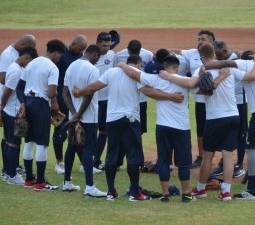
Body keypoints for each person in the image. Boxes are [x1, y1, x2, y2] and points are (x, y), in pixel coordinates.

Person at [72, 55, 184, 202]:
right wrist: (171, 97)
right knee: (133, 156)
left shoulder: (111, 72)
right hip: (130, 119)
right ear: (139, 65)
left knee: (111, 155)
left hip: (111, 119)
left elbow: (93, 87)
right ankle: (135, 193)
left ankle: (111, 192)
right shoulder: (136, 75)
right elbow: (149, 92)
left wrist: (79, 92)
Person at [159, 44, 255, 201]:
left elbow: (190, 84)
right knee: (228, 155)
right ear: (215, 55)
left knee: (207, 155)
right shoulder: (228, 68)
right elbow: (253, 76)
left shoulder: (201, 70)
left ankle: (201, 189)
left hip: (215, 118)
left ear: (202, 58)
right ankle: (226, 192)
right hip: (234, 116)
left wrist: (168, 76)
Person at [197, 48, 255, 200]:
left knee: (251, 148)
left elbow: (224, 62)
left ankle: (251, 189)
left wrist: (205, 66)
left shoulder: (245, 63)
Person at [117, 55, 200, 203]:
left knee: (163, 161)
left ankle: (165, 195)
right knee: (183, 163)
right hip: (182, 128)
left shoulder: (156, 80)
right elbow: (198, 88)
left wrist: (123, 64)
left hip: (163, 127)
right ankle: (186, 194)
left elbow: (132, 73)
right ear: (177, 67)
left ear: (164, 67)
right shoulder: (185, 81)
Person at [16, 39, 65, 191]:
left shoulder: (32, 63)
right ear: (56, 53)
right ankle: (40, 182)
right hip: (40, 104)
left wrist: (23, 103)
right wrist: (55, 100)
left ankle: (29, 179)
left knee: (29, 141)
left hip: (28, 102)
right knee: (42, 142)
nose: (59, 59)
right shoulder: (52, 67)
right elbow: (51, 92)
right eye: (60, 56)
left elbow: (19, 87)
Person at [62, 44, 107, 197]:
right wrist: (79, 114)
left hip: (73, 117)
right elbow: (90, 93)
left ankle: (67, 183)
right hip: (88, 118)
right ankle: (89, 187)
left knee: (72, 147)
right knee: (88, 150)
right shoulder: (93, 70)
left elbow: (65, 92)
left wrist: (73, 113)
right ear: (95, 55)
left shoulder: (71, 66)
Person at [168, 30, 215, 169]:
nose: (200, 41)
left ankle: (220, 158)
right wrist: (164, 53)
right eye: (199, 39)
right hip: (200, 100)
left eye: (204, 39)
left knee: (215, 129)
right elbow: (176, 50)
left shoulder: (216, 54)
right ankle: (201, 157)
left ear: (211, 42)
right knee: (201, 130)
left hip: (215, 101)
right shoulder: (192, 53)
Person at [0, 46, 38, 185]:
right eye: (30, 62)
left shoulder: (14, 67)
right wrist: (2, 106)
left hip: (10, 109)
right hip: (12, 111)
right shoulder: (16, 71)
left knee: (9, 142)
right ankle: (12, 175)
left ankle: (6, 173)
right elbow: (7, 92)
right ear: (26, 58)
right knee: (13, 144)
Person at [212, 40, 247, 178]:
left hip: (240, 101)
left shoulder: (238, 61)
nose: (217, 58)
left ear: (225, 52)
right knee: (226, 133)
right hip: (226, 103)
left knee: (241, 133)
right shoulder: (226, 59)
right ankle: (225, 161)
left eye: (218, 55)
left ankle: (239, 164)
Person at [52, 35, 87, 174]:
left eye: (83, 50)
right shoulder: (62, 55)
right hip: (60, 101)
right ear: (72, 44)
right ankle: (59, 163)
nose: (80, 52)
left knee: (77, 130)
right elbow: (53, 78)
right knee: (60, 131)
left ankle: (83, 163)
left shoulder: (80, 56)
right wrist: (54, 101)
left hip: (75, 102)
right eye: (79, 49)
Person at [116, 40, 153, 135]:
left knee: (139, 129)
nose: (135, 55)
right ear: (127, 49)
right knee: (125, 127)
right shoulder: (119, 56)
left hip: (141, 98)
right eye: (131, 53)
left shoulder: (148, 55)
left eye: (137, 53)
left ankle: (137, 148)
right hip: (125, 97)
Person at [92, 32, 117, 172]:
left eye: (108, 45)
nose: (106, 49)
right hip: (93, 100)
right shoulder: (90, 56)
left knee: (104, 131)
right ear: (97, 43)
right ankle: (87, 160)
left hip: (107, 100)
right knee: (90, 131)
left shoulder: (112, 56)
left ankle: (96, 161)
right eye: (103, 46)